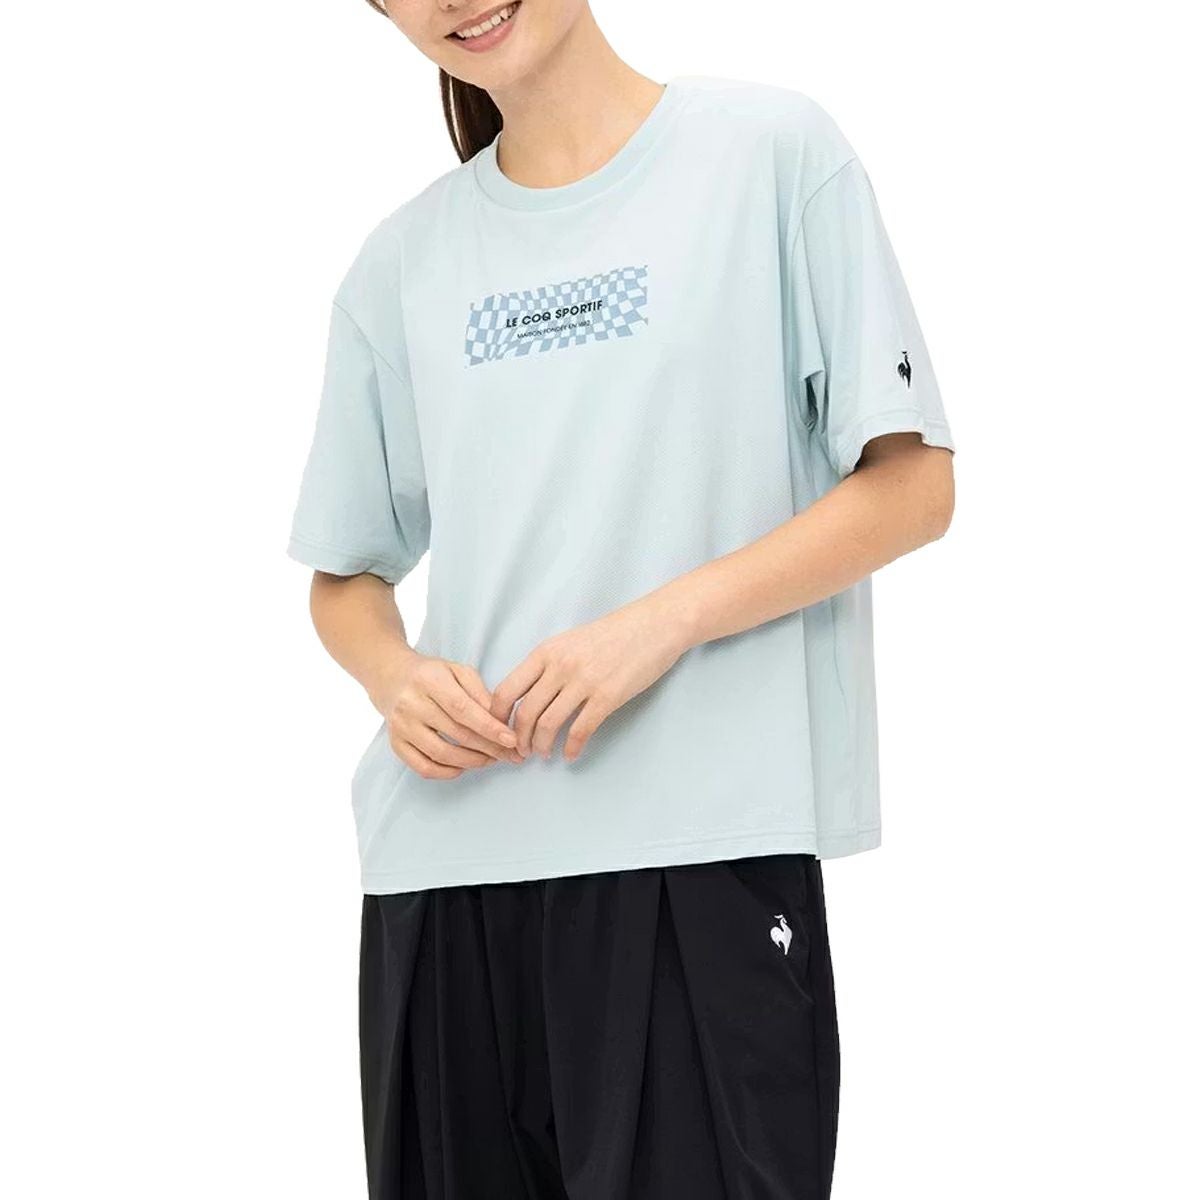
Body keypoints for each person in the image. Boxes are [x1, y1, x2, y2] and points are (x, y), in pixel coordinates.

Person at [286, 2, 957, 1196]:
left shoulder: (771, 157)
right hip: (443, 877)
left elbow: (912, 487)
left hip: (696, 858)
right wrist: (396, 677)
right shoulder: (400, 265)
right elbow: (345, 573)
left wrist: (665, 620)